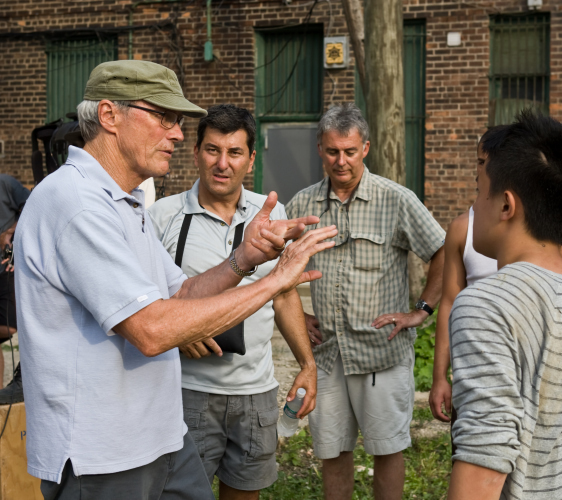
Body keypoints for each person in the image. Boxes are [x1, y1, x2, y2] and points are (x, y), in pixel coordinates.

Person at [14, 60, 338, 500]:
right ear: (109, 116)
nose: (179, 134)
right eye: (164, 117)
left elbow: (180, 293)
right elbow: (151, 330)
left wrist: (243, 259)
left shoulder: (121, 203)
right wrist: (275, 280)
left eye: (180, 121)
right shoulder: (77, 204)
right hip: (105, 455)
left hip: (161, 438)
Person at [446, 110, 562, 499]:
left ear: (507, 205)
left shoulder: (486, 305)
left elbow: (483, 465)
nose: (475, 203)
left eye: (478, 189)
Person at [149, 104, 317, 499]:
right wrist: (178, 332)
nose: (222, 164)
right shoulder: (162, 217)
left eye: (235, 152)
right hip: (186, 393)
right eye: (212, 150)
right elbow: (146, 305)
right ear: (195, 153)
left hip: (255, 393)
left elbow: (284, 293)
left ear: (251, 158)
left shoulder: (271, 215)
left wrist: (308, 365)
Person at [286, 103, 446, 500]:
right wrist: (295, 314)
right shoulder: (302, 206)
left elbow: (443, 252)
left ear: (366, 148)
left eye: (350, 151)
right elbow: (275, 268)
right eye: (332, 151)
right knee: (332, 451)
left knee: (387, 448)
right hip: (327, 355)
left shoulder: (396, 200)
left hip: (382, 353)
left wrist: (420, 311)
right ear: (320, 149)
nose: (341, 161)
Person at [429, 130, 562, 423]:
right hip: (477, 365)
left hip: (535, 366)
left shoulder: (554, 229)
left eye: (489, 160)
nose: (482, 167)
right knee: (475, 447)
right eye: (479, 160)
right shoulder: (463, 228)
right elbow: (449, 302)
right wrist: (439, 377)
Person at [0, 175, 29, 390]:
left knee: (8, 327)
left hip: (6, 267)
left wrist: (12, 230)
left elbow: (34, 203)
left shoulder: (5, 183)